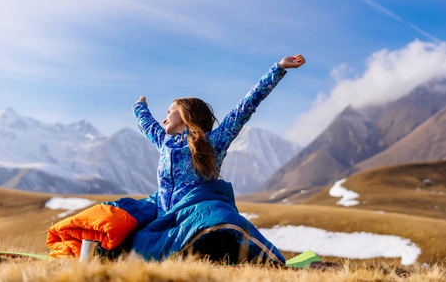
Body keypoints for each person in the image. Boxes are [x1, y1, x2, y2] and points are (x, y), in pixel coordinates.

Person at [46, 55, 305, 264]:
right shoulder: (165, 142)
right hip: (162, 213)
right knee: (114, 220)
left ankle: (266, 260)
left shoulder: (215, 141)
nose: (165, 116)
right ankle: (89, 255)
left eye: (171, 111)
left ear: (187, 114)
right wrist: (139, 107)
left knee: (217, 217)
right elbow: (145, 124)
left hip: (193, 211)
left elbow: (245, 107)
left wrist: (278, 69)